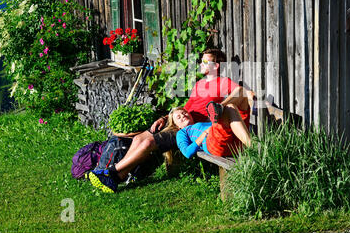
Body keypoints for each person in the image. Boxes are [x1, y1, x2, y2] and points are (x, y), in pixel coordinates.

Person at [88, 48, 250, 193]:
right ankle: (118, 176)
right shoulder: (200, 84)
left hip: (190, 127)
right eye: (201, 60)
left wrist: (219, 108)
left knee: (147, 143)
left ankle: (112, 173)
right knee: (139, 138)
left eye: (206, 61)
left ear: (216, 66)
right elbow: (187, 106)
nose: (201, 63)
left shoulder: (223, 82)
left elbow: (241, 92)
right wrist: (165, 117)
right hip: (178, 120)